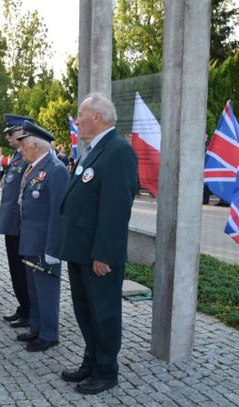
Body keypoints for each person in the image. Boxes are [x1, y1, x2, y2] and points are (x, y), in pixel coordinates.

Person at [58, 93, 138, 394]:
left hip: (98, 253)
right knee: (85, 310)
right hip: (80, 249)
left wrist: (104, 253)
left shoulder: (118, 150)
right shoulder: (94, 149)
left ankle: (107, 370)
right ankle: (91, 360)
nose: (77, 120)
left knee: (104, 313)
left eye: (81, 114)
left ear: (97, 116)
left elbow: (116, 209)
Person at [14, 121, 69, 352]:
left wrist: (53, 249)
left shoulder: (55, 170)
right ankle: (36, 328)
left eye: (24, 145)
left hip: (44, 244)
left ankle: (49, 334)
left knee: (46, 290)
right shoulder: (33, 167)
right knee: (34, 289)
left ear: (35, 146)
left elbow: (59, 213)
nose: (20, 150)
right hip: (30, 241)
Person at [0, 114, 33, 328]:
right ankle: (24, 306)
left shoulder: (30, 157)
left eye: (11, 133)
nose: (8, 137)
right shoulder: (18, 156)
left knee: (23, 271)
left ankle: (30, 309)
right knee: (15, 270)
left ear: (22, 132)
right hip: (12, 224)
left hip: (21, 225)